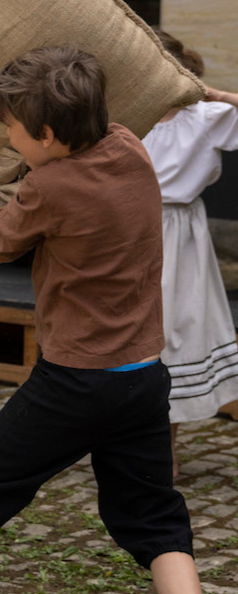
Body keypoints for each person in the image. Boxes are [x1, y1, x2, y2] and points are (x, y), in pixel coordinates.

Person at [0, 46, 201, 594]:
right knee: (156, 518)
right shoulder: (127, 144)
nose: (9, 140)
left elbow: (2, 239)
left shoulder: (48, 187)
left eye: (12, 129)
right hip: (144, 377)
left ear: (49, 135)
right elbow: (41, 182)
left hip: (73, 383)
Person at [142, 28, 238, 477]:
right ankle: (125, 444)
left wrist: (215, 93)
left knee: (175, 331)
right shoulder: (128, 117)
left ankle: (167, 452)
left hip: (179, 234)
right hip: (128, 228)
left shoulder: (205, 117)